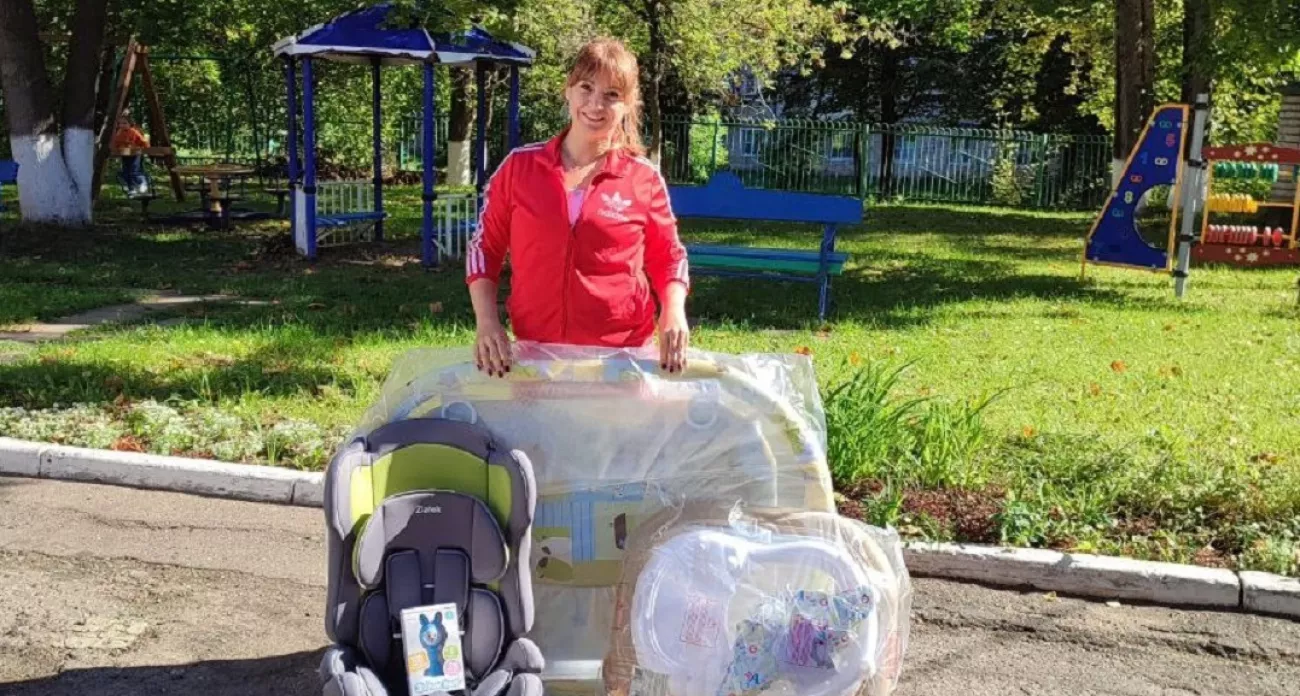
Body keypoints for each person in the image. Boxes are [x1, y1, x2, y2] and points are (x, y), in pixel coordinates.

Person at [465, 38, 691, 377]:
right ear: (568, 91)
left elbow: (670, 257)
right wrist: (487, 322)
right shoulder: (519, 168)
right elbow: (484, 248)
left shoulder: (642, 178)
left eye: (612, 94)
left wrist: (673, 312)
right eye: (586, 87)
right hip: (536, 354)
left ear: (628, 104)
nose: (596, 104)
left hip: (621, 357)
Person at [112, 113, 150, 195]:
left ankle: (142, 183)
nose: (122, 125)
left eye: (124, 123)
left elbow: (143, 141)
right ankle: (132, 189)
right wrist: (115, 151)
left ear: (130, 124)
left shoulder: (134, 132)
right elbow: (116, 143)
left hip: (135, 155)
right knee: (126, 173)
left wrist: (146, 149)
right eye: (120, 123)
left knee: (134, 172)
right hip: (125, 155)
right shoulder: (119, 133)